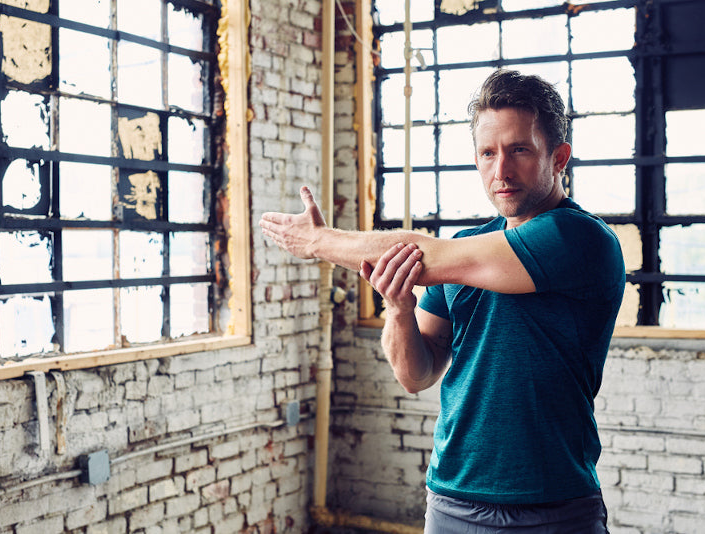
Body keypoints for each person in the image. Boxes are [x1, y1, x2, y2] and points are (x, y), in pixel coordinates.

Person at [259, 69, 624, 533]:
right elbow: (417, 374)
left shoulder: (579, 238)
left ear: (559, 156)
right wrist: (399, 310)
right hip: (452, 501)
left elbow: (420, 252)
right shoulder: (463, 250)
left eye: (519, 151)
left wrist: (318, 241)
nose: (501, 171)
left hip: (555, 506)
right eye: (488, 153)